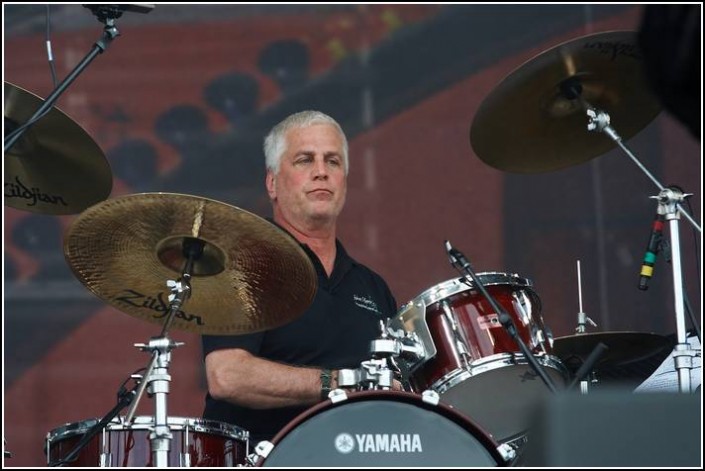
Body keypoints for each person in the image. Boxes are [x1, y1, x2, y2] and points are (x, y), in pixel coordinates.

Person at [201, 110, 398, 444]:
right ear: (272, 183)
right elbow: (227, 375)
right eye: (305, 160)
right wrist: (338, 383)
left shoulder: (373, 287)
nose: (321, 172)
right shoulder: (243, 265)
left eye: (333, 162)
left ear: (345, 182)